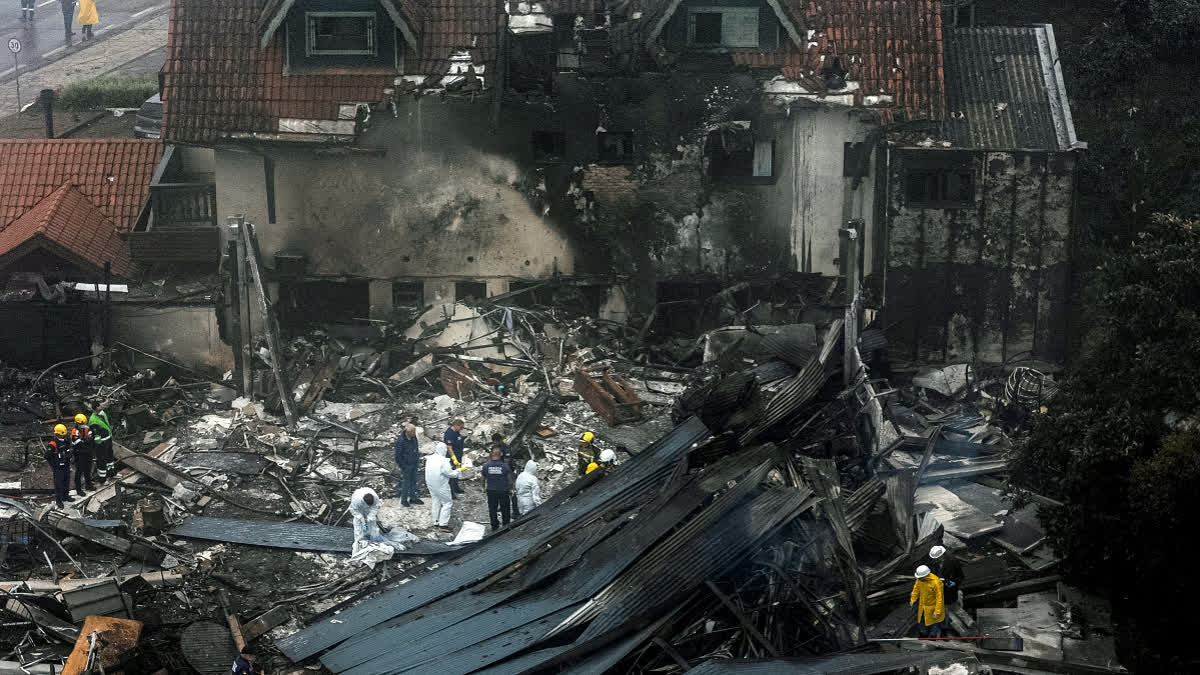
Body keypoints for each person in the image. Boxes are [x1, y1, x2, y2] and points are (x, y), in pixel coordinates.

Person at [425, 445, 458, 531]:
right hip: (441, 485)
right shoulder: (443, 461)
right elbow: (449, 473)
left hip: (431, 484)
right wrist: (459, 471)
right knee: (447, 503)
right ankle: (443, 525)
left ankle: (435, 521)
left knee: (436, 501)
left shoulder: (430, 458)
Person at [481, 446, 514, 532]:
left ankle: (494, 527)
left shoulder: (486, 466)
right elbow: (510, 480)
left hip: (491, 491)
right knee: (505, 509)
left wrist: (483, 488)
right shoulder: (505, 466)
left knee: (492, 509)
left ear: (491, 454)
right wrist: (510, 489)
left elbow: (482, 478)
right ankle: (506, 526)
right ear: (501, 455)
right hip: (503, 491)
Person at [909, 564, 945, 638]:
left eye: (921, 577)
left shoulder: (936, 582)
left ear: (926, 575)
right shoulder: (920, 580)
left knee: (934, 625)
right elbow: (916, 589)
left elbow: (939, 598)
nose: (919, 579)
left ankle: (932, 639)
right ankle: (923, 636)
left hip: (933, 608)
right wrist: (913, 599)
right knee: (922, 624)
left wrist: (937, 611)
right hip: (923, 607)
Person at [45, 424, 73, 508]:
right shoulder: (53, 444)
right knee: (58, 484)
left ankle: (66, 496)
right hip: (58, 467)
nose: (64, 436)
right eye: (62, 435)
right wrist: (54, 465)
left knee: (66, 481)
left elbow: (69, 450)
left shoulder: (66, 440)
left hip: (66, 465)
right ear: (57, 434)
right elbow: (47, 456)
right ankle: (59, 500)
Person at [394, 423, 422, 506]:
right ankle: (404, 500)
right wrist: (404, 466)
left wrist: (417, 460)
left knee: (414, 481)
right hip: (406, 465)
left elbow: (416, 448)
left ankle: (413, 498)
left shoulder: (414, 438)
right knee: (406, 483)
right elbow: (398, 456)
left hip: (414, 463)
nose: (414, 433)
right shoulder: (401, 441)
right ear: (408, 431)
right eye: (413, 432)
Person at [89, 400, 114, 483]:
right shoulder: (93, 420)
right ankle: (103, 479)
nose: (101, 406)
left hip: (108, 439)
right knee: (102, 460)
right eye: (99, 406)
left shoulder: (102, 414)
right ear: (96, 408)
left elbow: (106, 424)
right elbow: (96, 436)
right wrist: (100, 444)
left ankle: (112, 473)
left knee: (110, 457)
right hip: (101, 443)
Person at [70, 413, 94, 495]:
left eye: (84, 424)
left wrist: (85, 441)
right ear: (77, 423)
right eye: (82, 424)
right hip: (79, 454)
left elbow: (91, 439)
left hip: (87, 453)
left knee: (88, 469)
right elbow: (79, 445)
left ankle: (88, 485)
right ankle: (78, 489)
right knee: (79, 472)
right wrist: (86, 441)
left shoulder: (87, 428)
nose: (84, 425)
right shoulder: (74, 432)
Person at [443, 418, 466, 497]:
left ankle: (456, 487)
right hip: (452, 457)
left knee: (457, 472)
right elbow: (449, 448)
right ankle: (451, 492)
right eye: (461, 427)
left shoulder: (457, 432)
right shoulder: (449, 433)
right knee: (451, 474)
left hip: (458, 455)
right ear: (456, 425)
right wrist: (454, 458)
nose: (461, 429)